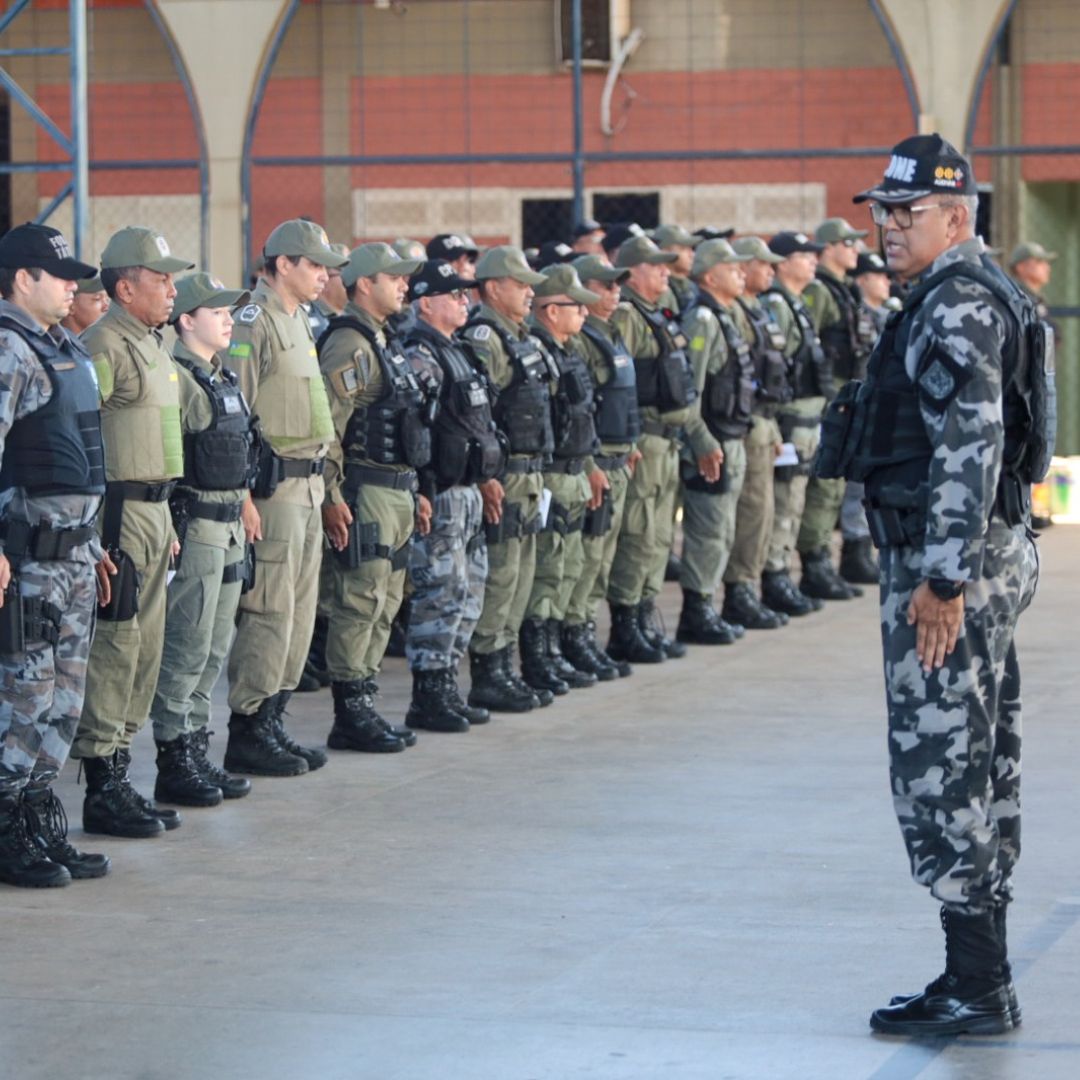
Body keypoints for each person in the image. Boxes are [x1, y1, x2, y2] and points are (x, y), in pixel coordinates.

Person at [826, 133, 1043, 1036]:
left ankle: (976, 984)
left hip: (951, 562)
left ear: (956, 218)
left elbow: (971, 442)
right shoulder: (980, 295)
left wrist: (943, 578)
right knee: (978, 757)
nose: (886, 226)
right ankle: (978, 974)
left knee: (940, 765)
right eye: (881, 210)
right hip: (985, 552)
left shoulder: (955, 304)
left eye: (906, 212)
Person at [71, 227, 195, 839]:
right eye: (161, 278)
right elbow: (78, 440)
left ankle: (122, 771)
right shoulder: (102, 346)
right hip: (117, 515)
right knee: (117, 649)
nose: (173, 289)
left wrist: (167, 516)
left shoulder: (150, 344)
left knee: (145, 648)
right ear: (125, 286)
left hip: (154, 511)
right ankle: (102, 785)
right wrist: (92, 534)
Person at [0, 223, 111, 887]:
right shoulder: (8, 349)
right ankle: (7, 828)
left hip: (73, 556)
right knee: (23, 698)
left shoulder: (63, 346)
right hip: (31, 559)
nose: (74, 285)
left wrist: (92, 544)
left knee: (64, 703)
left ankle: (37, 818)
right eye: (60, 273)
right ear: (21, 279)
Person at [221, 219, 347, 777]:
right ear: (283, 264)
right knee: (269, 609)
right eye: (315, 264)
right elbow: (234, 412)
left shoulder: (301, 320)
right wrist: (242, 495)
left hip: (309, 484)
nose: (324, 274)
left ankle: (274, 715)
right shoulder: (255, 320)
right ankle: (248, 726)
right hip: (272, 491)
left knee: (297, 611)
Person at [148, 274, 257, 808]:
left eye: (229, 310)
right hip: (197, 526)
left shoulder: (221, 376)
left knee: (214, 646)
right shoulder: (177, 377)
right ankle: (173, 757)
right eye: (215, 310)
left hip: (231, 523)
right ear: (186, 320)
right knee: (186, 645)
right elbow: (168, 460)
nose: (227, 317)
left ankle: (195, 746)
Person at [317, 242, 428, 753]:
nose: (404, 285)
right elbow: (331, 431)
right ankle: (350, 711)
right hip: (366, 492)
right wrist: (332, 496)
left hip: (396, 491)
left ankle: (365, 696)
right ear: (364, 283)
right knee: (359, 601)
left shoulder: (383, 339)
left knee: (385, 603)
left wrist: (416, 489)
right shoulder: (351, 344)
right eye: (393, 277)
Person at [401, 259, 503, 732]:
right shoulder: (419, 354)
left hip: (468, 492)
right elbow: (413, 429)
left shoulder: (457, 350)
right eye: (454, 295)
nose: (465, 301)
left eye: (467, 295)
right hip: (440, 494)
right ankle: (428, 691)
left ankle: (447, 683)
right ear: (426, 302)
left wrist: (486, 476)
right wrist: (421, 488)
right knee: (439, 592)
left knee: (468, 589)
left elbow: (474, 425)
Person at [460, 246, 552, 713]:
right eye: (521, 284)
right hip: (505, 475)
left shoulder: (519, 335)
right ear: (494, 287)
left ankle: (505, 664)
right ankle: (487, 670)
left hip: (529, 472)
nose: (530, 291)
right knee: (499, 574)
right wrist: (486, 476)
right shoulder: (484, 336)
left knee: (521, 573)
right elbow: (477, 415)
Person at [606, 235, 697, 663]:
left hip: (666, 440)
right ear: (632, 272)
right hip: (644, 438)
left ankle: (644, 615)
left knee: (660, 536)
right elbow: (617, 385)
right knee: (638, 533)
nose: (665, 271)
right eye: (655, 265)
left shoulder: (657, 313)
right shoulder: (626, 315)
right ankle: (625, 626)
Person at [520, 264, 604, 695]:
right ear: (551, 310)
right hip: (549, 476)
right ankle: (537, 656)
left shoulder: (568, 351)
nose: (585, 314)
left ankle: (554, 650)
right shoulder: (537, 351)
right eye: (576, 307)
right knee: (548, 568)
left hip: (573, 472)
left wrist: (590, 467)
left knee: (569, 566)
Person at [562, 253, 641, 678]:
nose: (614, 293)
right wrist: (591, 462)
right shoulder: (582, 340)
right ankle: (574, 636)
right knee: (586, 559)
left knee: (602, 558)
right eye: (605, 286)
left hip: (617, 457)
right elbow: (581, 410)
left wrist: (630, 442)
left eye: (616, 286)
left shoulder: (610, 332)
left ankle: (584, 632)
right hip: (596, 464)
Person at [676, 239, 755, 645]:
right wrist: (702, 442)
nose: (742, 272)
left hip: (730, 439)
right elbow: (690, 390)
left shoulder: (726, 316)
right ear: (710, 276)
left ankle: (709, 603)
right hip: (709, 446)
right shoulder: (703, 320)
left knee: (723, 529)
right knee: (708, 530)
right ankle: (696, 611)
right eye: (732, 267)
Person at [796, 218, 875, 600]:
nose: (855, 250)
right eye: (847, 243)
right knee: (824, 486)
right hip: (829, 399)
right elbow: (808, 348)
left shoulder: (845, 290)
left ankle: (832, 559)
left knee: (837, 486)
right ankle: (814, 563)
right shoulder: (818, 291)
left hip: (846, 396)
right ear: (828, 247)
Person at [758, 232, 831, 619]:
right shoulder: (776, 304)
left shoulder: (797, 304)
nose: (812, 261)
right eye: (804, 255)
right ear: (783, 262)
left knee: (797, 500)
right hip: (790, 422)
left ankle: (784, 572)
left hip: (807, 419)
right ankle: (775, 576)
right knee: (784, 502)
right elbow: (775, 369)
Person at [720, 236, 790, 632]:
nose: (770, 271)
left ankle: (749, 585)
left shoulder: (756, 311)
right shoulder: (734, 314)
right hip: (744, 426)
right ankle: (739, 590)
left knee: (762, 513)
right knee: (749, 512)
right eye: (762, 264)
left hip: (762, 423)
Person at [836, 250, 895, 585]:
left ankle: (862, 547)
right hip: (859, 406)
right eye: (879, 276)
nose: (887, 281)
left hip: (879, 407)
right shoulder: (856, 315)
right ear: (862, 280)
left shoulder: (885, 316)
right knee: (856, 486)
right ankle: (853, 550)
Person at [653, 224, 701, 314]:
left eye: (691, 249)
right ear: (664, 251)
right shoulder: (659, 287)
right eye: (683, 249)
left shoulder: (692, 285)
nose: (691, 254)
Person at [307, 242, 349, 342]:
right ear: (326, 279)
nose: (352, 280)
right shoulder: (309, 319)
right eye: (346, 274)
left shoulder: (350, 318)